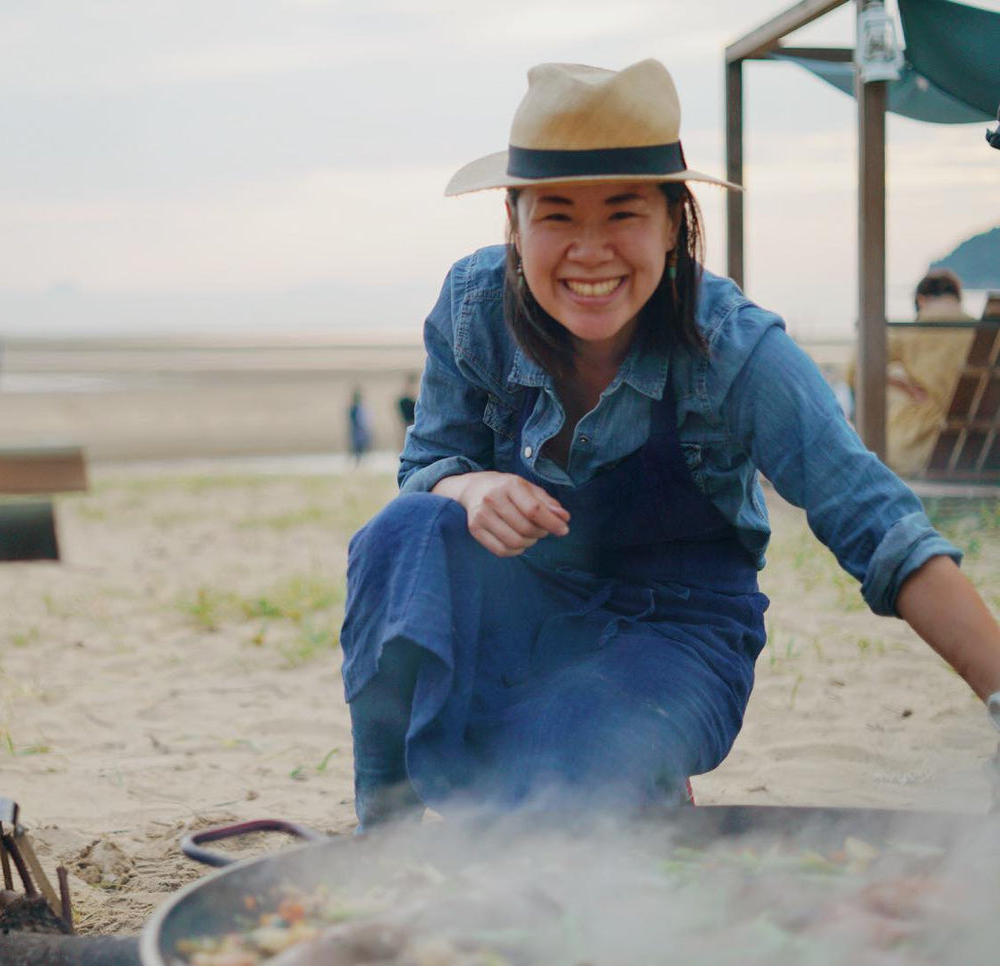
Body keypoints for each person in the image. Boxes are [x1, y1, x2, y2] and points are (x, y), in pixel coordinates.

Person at [340, 59, 1000, 829]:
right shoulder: (472, 308)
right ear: (514, 226)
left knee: (574, 773)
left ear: (674, 223)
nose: (589, 252)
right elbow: (424, 468)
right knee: (404, 531)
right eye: (555, 215)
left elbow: (880, 528)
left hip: (675, 633)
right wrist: (467, 487)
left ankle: (639, 774)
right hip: (524, 609)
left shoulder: (734, 348)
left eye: (622, 213)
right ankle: (380, 842)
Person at [858, 269, 975, 477]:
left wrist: (905, 386)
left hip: (920, 447)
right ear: (956, 298)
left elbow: (857, 367)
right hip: (975, 443)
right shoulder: (984, 331)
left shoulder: (910, 330)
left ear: (921, 300)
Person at [347, 387, 372, 467]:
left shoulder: (356, 408)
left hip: (357, 430)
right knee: (358, 446)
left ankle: (359, 461)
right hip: (357, 430)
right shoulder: (355, 409)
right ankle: (357, 461)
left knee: (359, 446)